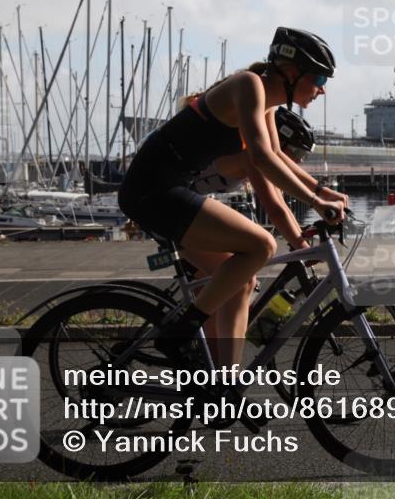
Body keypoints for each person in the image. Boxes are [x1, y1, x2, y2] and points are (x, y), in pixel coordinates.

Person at [117, 27, 346, 367]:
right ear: (291, 71)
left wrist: (322, 191)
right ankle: (182, 332)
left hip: (166, 189)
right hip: (154, 190)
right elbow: (262, 159)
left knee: (241, 281)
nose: (321, 90)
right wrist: (317, 204)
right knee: (261, 245)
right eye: (319, 79)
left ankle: (226, 383)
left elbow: (278, 155)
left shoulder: (266, 101)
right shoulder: (248, 86)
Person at [187, 106, 348, 366]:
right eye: (294, 152)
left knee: (223, 297)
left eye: (302, 156)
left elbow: (282, 205)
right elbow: (274, 209)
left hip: (187, 214)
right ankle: (221, 383)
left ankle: (210, 381)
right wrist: (300, 244)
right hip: (173, 213)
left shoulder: (258, 156)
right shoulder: (252, 155)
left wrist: (302, 233)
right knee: (241, 283)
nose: (296, 161)